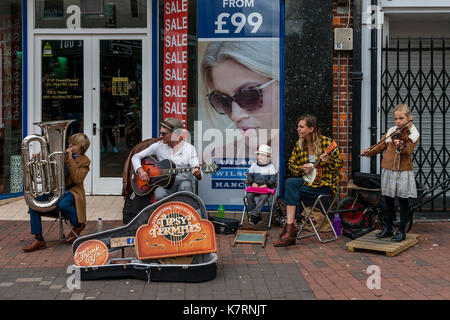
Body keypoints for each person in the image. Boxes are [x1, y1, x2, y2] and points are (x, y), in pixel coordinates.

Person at [200, 40, 280, 166]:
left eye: (249, 96)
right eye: (222, 100)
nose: (235, 116)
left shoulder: (313, 155)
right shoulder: (216, 160)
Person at [273, 114, 343, 247]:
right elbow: (291, 165)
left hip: (324, 185)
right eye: (297, 127)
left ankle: (290, 231)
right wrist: (301, 168)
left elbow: (339, 164)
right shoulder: (299, 145)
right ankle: (290, 226)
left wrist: (329, 161)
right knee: (290, 182)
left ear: (311, 129)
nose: (298, 129)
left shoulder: (327, 143)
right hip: (308, 183)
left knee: (291, 193)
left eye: (301, 127)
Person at [23, 133, 91, 252]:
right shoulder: (61, 156)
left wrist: (70, 159)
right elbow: (50, 173)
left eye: (73, 145)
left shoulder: (85, 161)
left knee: (63, 204)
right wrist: (38, 161)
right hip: (58, 189)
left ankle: (78, 224)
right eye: (69, 143)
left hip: (73, 191)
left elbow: (77, 179)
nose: (69, 146)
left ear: (81, 147)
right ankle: (39, 239)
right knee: (34, 204)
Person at [361, 104, 419, 242]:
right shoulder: (391, 131)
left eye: (401, 118)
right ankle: (388, 229)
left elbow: (408, 151)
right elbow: (380, 146)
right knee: (388, 200)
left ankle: (401, 231)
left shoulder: (413, 133)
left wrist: (400, 144)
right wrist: (368, 151)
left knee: (403, 201)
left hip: (403, 171)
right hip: (388, 169)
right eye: (396, 118)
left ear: (408, 118)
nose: (398, 121)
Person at [131, 117, 202, 201]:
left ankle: (183, 213)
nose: (160, 136)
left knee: (186, 187)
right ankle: (166, 213)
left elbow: (196, 169)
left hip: (182, 182)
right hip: (164, 184)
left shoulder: (189, 148)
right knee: (159, 193)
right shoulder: (158, 146)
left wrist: (198, 174)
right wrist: (141, 170)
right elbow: (135, 157)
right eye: (160, 132)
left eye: (164, 134)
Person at [245, 144, 277, 225]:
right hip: (255, 188)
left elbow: (273, 179)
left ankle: (254, 215)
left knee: (264, 197)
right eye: (258, 155)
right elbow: (249, 177)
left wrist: (266, 184)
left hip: (265, 189)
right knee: (249, 196)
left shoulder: (271, 167)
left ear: (268, 157)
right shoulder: (253, 166)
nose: (259, 157)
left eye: (262, 155)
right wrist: (252, 183)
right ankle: (257, 216)